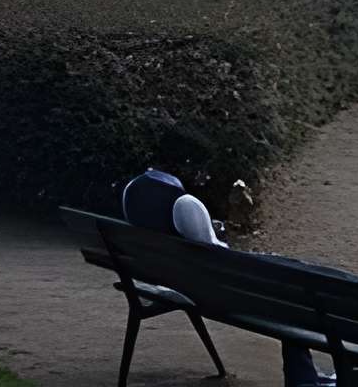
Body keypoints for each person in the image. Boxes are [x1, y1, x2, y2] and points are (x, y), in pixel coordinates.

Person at [121, 125, 333, 387]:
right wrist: (221, 239)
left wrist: (213, 233)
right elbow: (217, 256)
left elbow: (191, 244)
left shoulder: (134, 192)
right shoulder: (185, 203)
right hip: (218, 293)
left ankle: (306, 375)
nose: (202, 174)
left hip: (182, 282)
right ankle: (303, 378)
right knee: (294, 284)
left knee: (287, 272)